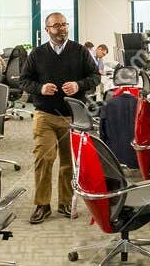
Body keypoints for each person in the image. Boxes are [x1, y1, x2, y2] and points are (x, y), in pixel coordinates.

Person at [19, 12, 99, 223]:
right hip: (45, 115)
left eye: (64, 25)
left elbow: (95, 76)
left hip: (73, 116)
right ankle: (42, 204)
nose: (62, 29)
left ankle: (65, 203)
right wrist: (40, 87)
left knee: (68, 163)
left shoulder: (80, 51)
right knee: (44, 158)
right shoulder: (37, 54)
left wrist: (79, 85)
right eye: (56, 26)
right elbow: (23, 81)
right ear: (47, 30)